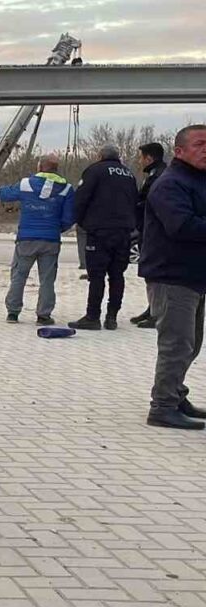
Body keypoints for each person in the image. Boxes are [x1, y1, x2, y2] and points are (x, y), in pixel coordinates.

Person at [140, 125, 206, 429]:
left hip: (193, 275)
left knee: (191, 344)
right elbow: (181, 226)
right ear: (179, 151)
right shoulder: (170, 183)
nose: (205, 149)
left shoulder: (196, 180)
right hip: (172, 275)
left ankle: (176, 394)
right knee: (176, 344)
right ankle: (163, 406)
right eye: (199, 144)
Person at [0, 157, 76, 325]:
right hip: (51, 240)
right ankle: (43, 315)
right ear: (56, 169)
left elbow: (5, 194)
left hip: (26, 239)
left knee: (19, 275)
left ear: (40, 167)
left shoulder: (26, 184)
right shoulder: (67, 189)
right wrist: (55, 229)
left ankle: (13, 312)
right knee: (47, 279)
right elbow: (69, 217)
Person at [68, 145, 140, 331]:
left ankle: (93, 317)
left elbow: (81, 198)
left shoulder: (94, 170)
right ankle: (112, 317)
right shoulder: (129, 175)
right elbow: (135, 201)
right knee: (117, 275)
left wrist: (81, 222)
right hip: (124, 232)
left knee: (97, 275)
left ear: (100, 156)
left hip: (99, 231)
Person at [131, 142, 169, 328]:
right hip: (146, 230)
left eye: (141, 157)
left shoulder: (160, 176)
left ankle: (158, 312)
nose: (140, 161)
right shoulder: (154, 175)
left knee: (156, 273)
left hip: (154, 232)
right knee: (149, 273)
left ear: (149, 158)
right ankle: (152, 308)